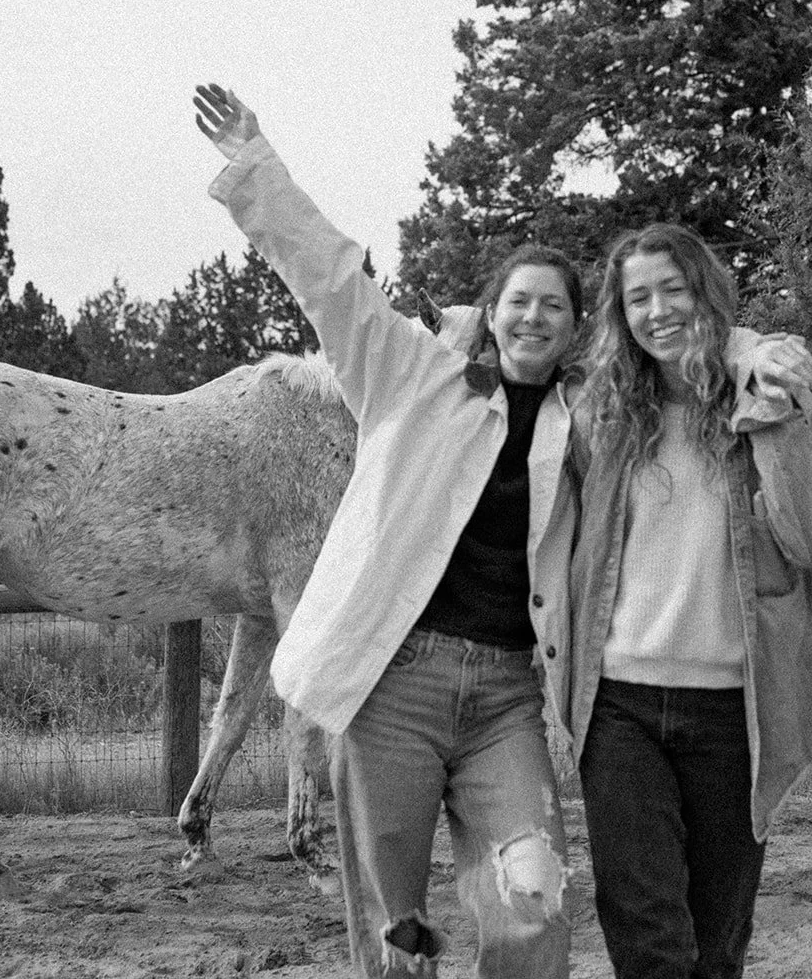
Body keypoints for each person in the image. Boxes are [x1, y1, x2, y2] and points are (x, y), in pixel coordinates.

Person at [194, 83, 581, 978]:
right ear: (491, 310)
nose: (532, 318)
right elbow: (332, 278)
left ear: (572, 329)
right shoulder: (410, 374)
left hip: (505, 699)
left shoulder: (584, 423)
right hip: (393, 683)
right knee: (394, 929)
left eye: (553, 307)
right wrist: (257, 165)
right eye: (518, 301)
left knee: (535, 895)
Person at [567, 223, 812, 979]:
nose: (658, 311)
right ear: (619, 314)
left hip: (733, 708)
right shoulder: (603, 413)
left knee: (718, 941)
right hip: (619, 704)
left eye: (674, 289)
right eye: (638, 298)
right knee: (646, 930)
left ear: (706, 292)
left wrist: (765, 402)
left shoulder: (767, 396)